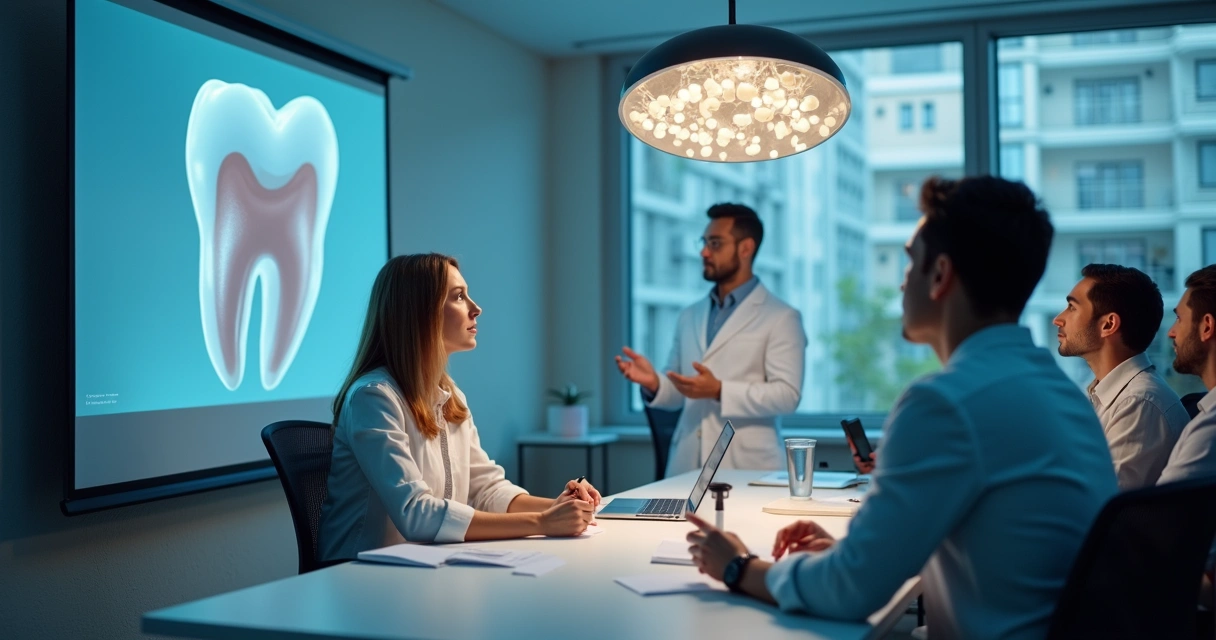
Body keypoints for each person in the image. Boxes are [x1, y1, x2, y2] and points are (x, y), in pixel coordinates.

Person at [685, 176, 1118, 639]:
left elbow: (850, 593)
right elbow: (1004, 557)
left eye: (910, 262)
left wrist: (738, 566)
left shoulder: (947, 402)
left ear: (940, 275)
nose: (901, 280)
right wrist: (861, 555)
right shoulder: (1060, 394)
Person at [318, 254, 600, 563]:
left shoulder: (451, 397)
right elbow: (417, 514)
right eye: (459, 297)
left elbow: (487, 489)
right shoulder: (373, 398)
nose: (476, 308)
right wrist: (543, 523)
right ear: (419, 313)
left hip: (422, 567)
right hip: (357, 575)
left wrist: (558, 508)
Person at [615, 203, 807, 475]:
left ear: (745, 248)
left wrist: (719, 390)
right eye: (704, 242)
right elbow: (682, 393)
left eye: (715, 243)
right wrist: (655, 383)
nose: (704, 252)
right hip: (686, 465)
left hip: (747, 466)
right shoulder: (689, 315)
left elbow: (787, 395)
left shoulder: (781, 317)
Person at [1053, 264, 1188, 489]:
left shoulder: (1138, 403)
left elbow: (1104, 503)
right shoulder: (1108, 395)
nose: (1058, 319)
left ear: (1108, 324)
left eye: (1071, 307)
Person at [1158, 265, 1216, 485]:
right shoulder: (1204, 413)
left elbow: (1158, 512)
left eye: (1179, 319)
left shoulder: (1210, 430)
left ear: (1207, 327)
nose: (1171, 332)